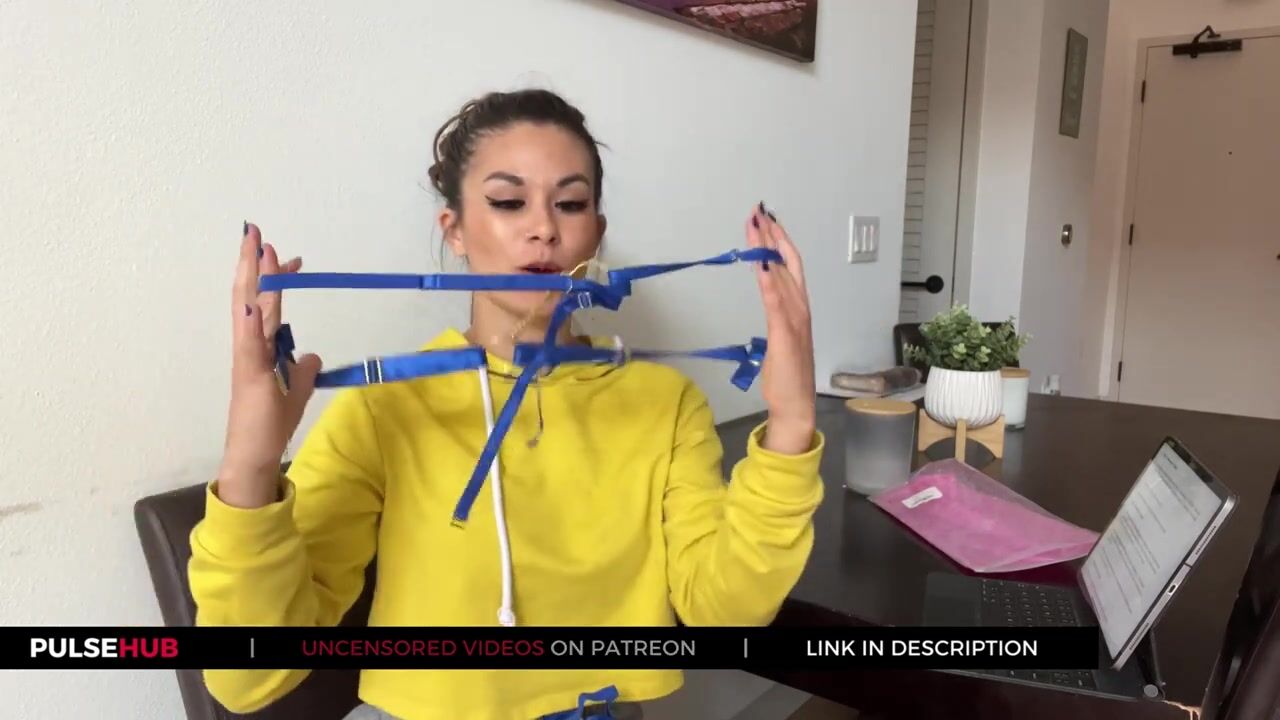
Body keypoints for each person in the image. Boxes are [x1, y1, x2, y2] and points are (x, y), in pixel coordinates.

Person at [188, 88, 824, 720]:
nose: (543, 227)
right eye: (507, 201)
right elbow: (247, 679)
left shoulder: (666, 404)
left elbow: (724, 614)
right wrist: (250, 463)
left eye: (570, 204)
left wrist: (792, 426)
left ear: (596, 235)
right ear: (455, 231)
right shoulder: (386, 408)